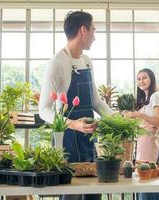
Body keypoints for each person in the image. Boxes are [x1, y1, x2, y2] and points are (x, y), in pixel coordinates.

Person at [39, 11, 113, 200]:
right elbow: (44, 110)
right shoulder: (57, 62)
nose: (95, 37)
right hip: (67, 142)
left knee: (93, 192)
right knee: (72, 194)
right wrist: (73, 124)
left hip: (88, 140)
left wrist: (118, 120)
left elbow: (95, 101)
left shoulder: (87, 61)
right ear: (83, 30)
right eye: (93, 30)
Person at [123, 68, 159, 200]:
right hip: (143, 145)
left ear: (151, 79)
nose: (141, 81)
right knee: (145, 186)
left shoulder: (155, 96)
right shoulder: (145, 99)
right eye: (139, 79)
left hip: (150, 145)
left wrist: (138, 114)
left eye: (144, 77)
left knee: (148, 187)